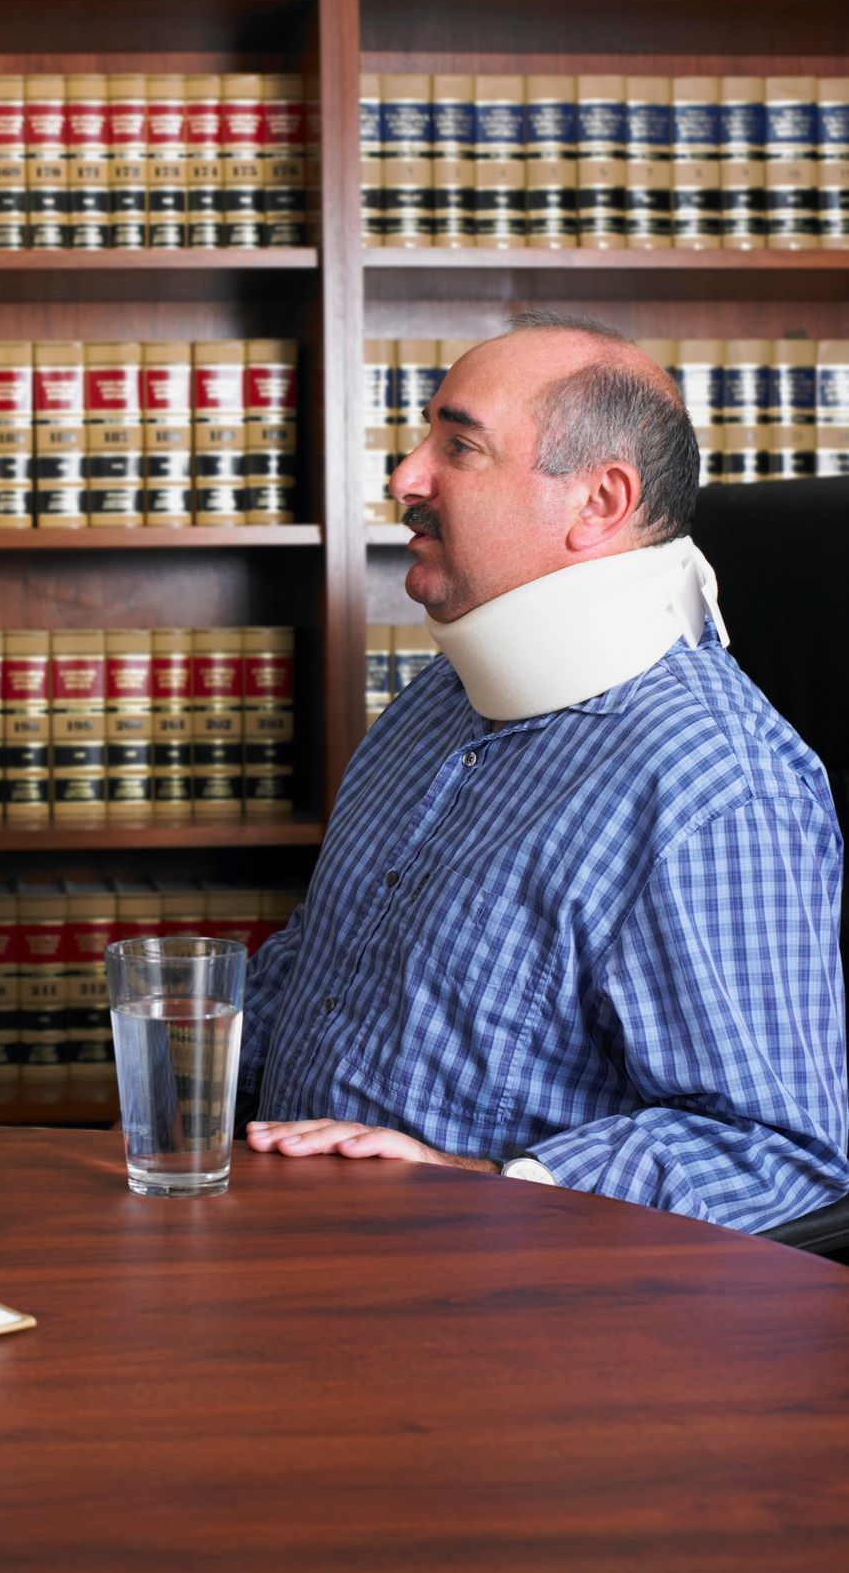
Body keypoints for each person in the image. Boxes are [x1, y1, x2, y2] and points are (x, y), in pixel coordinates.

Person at [239, 310, 849, 1232]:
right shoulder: (441, 697)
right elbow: (326, 959)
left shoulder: (714, 789)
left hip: (487, 1286)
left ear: (598, 503)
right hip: (271, 1224)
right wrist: (183, 1079)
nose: (405, 476)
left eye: (460, 446)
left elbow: (778, 1150)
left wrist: (479, 1179)